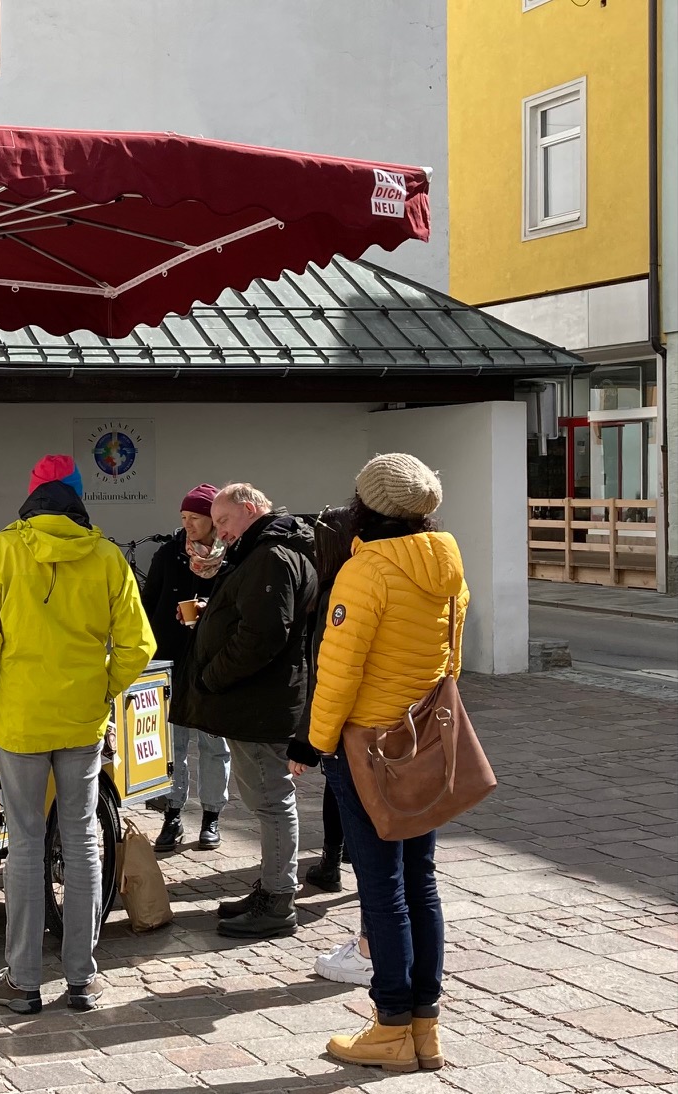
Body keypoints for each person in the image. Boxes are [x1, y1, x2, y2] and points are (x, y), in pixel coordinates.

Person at [0, 454, 154, 1014]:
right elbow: (139, 646)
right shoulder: (108, 556)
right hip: (82, 721)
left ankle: (21, 982)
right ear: (78, 499)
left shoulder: (1, 550)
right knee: (83, 839)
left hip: (20, 722)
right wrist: (99, 688)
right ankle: (82, 979)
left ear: (32, 497)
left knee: (23, 843)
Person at [294, 453, 467, 1073]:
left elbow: (339, 672)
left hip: (367, 746)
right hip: (421, 741)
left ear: (368, 505)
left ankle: (391, 1023)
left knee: (381, 885)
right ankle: (426, 1027)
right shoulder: (447, 566)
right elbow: (451, 660)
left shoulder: (364, 573)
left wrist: (313, 742)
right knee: (421, 880)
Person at [171, 483, 317, 940]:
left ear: (250, 510)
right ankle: (272, 888)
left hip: (259, 703)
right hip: (260, 700)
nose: (221, 532)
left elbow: (263, 634)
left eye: (224, 522)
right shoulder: (268, 552)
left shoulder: (272, 556)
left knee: (271, 803)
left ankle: (277, 900)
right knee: (265, 801)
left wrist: (211, 676)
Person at [289, 504, 374, 988]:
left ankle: (369, 950)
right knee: (409, 866)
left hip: (354, 726)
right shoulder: (422, 569)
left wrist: (309, 742)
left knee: (377, 860)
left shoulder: (345, 587)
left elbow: (331, 674)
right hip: (399, 726)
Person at [140, 484, 231, 853]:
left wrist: (209, 609)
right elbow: (147, 607)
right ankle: (173, 814)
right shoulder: (168, 555)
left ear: (213, 518)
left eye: (195, 517)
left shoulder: (233, 558)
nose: (188, 523)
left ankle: (212, 817)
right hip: (173, 661)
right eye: (184, 517)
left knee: (213, 744)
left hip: (214, 664)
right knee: (173, 745)